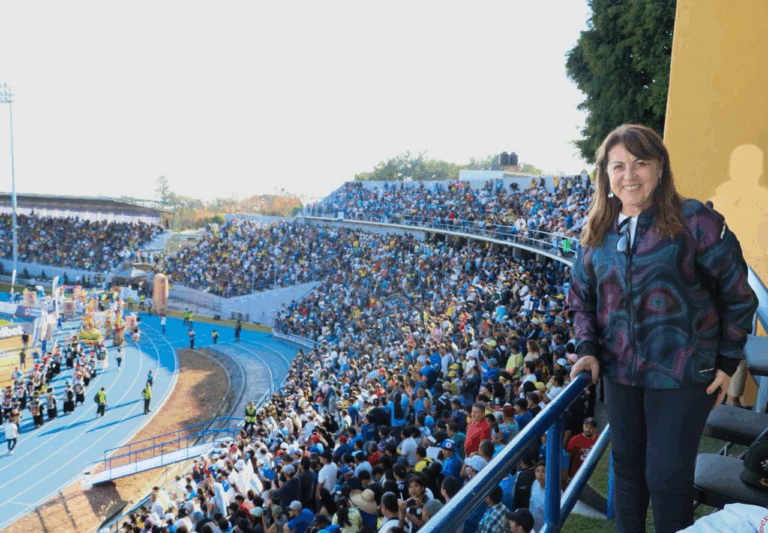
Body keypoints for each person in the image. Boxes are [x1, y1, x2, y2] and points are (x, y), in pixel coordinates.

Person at [568, 124, 759, 533]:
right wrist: (586, 349)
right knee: (627, 473)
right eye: (618, 166)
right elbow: (581, 298)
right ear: (605, 173)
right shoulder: (597, 230)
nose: (629, 175)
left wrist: (727, 361)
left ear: (659, 168)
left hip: (683, 374)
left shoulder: (695, 220)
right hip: (620, 374)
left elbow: (740, 295)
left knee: (667, 478)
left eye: (640, 163)